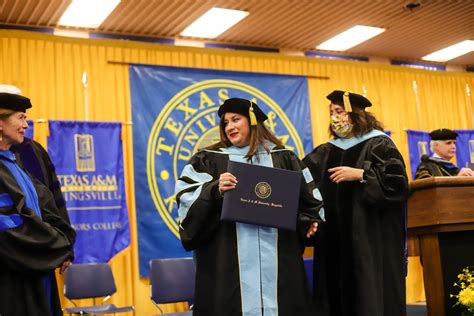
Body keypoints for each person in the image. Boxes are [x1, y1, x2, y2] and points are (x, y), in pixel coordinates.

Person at [175, 97, 323, 316]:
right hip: (226, 265)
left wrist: (307, 223)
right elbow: (186, 200)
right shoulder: (208, 160)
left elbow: (308, 203)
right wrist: (215, 189)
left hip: (279, 262)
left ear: (253, 121)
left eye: (236, 119)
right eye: (225, 123)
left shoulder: (284, 158)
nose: (230, 127)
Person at [303, 90, 408, 316]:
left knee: (368, 295)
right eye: (332, 113)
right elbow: (302, 182)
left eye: (339, 111)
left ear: (357, 114)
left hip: (370, 240)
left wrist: (361, 174)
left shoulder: (379, 144)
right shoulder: (325, 151)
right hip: (333, 240)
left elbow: (397, 186)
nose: (334, 118)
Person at [0, 92, 76, 315]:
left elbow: (49, 206)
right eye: (21, 118)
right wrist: (56, 246)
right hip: (13, 277)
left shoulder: (16, 164)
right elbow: (8, 229)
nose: (26, 124)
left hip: (36, 272)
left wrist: (65, 241)